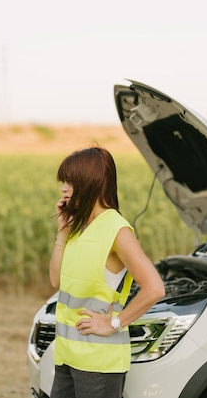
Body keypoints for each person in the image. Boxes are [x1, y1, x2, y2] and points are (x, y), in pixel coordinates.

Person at [49, 146, 165, 398]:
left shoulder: (117, 230)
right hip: (67, 357)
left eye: (69, 181)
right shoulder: (79, 226)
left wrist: (114, 323)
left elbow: (155, 288)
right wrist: (62, 233)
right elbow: (55, 280)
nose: (63, 189)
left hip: (99, 365)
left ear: (89, 182)